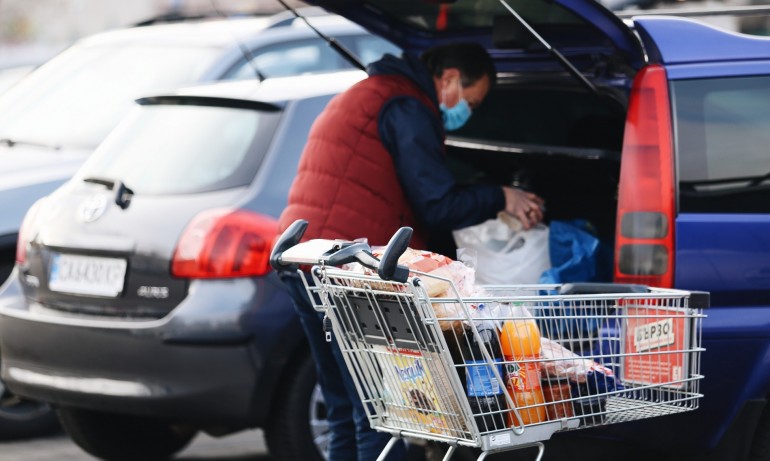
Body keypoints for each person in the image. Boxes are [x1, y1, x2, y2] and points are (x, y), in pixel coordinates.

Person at [277, 42, 545, 461]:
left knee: (346, 408)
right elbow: (437, 203)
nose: (466, 114)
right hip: (349, 268)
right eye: (470, 102)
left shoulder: (372, 93)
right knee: (379, 411)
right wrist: (502, 197)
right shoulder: (407, 106)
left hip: (304, 257)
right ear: (451, 78)